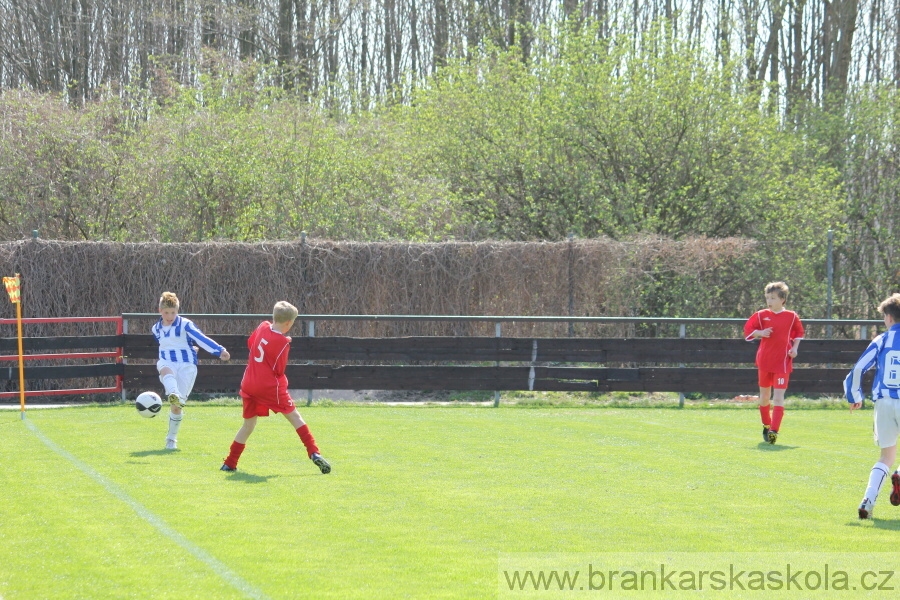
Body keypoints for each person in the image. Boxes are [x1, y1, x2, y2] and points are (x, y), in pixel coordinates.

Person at [220, 301, 331, 474]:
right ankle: (314, 452)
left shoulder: (263, 326)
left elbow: (251, 344)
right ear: (288, 323)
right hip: (268, 387)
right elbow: (279, 370)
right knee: (295, 417)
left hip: (249, 383)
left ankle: (229, 463)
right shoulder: (283, 342)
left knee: (248, 425)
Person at [152, 292, 231, 450]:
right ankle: (173, 392)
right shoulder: (156, 329)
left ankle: (171, 438)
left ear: (177, 311)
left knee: (177, 407)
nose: (170, 316)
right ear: (160, 311)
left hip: (187, 365)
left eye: (173, 312)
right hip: (167, 361)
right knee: (165, 369)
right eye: (166, 312)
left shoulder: (185, 324)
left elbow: (200, 338)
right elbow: (165, 345)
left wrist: (219, 350)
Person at [846, 293, 900, 519]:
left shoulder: (882, 340)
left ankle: (867, 501)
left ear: (888, 317)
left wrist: (854, 395)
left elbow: (859, 368)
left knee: (885, 456)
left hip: (884, 402)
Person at [743, 281, 804, 444]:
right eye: (767, 297)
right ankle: (766, 424)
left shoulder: (791, 316)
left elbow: (799, 333)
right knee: (764, 397)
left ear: (782, 299)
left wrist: (795, 348)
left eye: (773, 298)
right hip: (764, 361)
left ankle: (774, 431)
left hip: (782, 362)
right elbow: (748, 331)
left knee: (778, 398)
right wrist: (760, 332)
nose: (769, 301)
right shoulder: (761, 315)